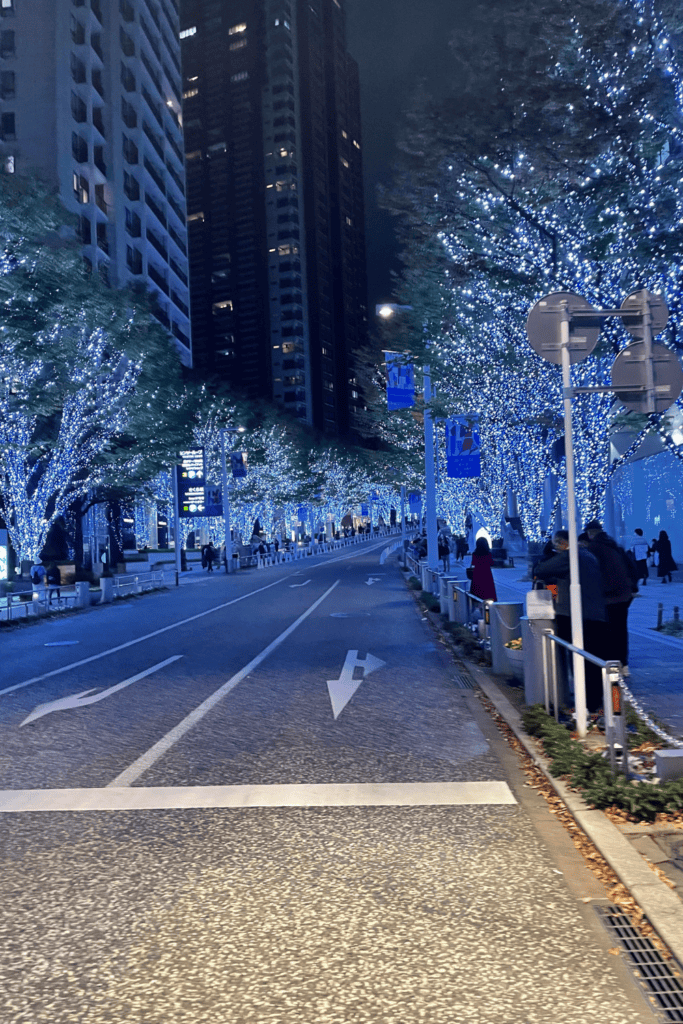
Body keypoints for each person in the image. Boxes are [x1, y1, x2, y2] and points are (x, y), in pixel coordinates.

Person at [534, 530, 606, 713]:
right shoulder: (589, 555)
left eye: (557, 543)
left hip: (574, 614)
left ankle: (585, 704)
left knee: (577, 658)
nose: (556, 546)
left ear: (563, 543)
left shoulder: (569, 556)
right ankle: (595, 701)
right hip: (596, 613)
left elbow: (541, 570)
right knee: (593, 659)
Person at [585, 520, 635, 674]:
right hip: (624, 596)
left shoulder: (593, 548)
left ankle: (611, 665)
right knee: (620, 630)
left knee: (607, 632)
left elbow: (591, 574)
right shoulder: (616, 546)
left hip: (607, 597)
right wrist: (632, 588)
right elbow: (632, 568)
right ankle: (623, 664)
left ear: (590, 533)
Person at [470, 537, 497, 601]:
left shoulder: (475, 554)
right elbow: (491, 563)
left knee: (477, 592)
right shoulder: (488, 554)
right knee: (488, 592)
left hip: (477, 574)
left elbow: (473, 563)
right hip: (487, 574)